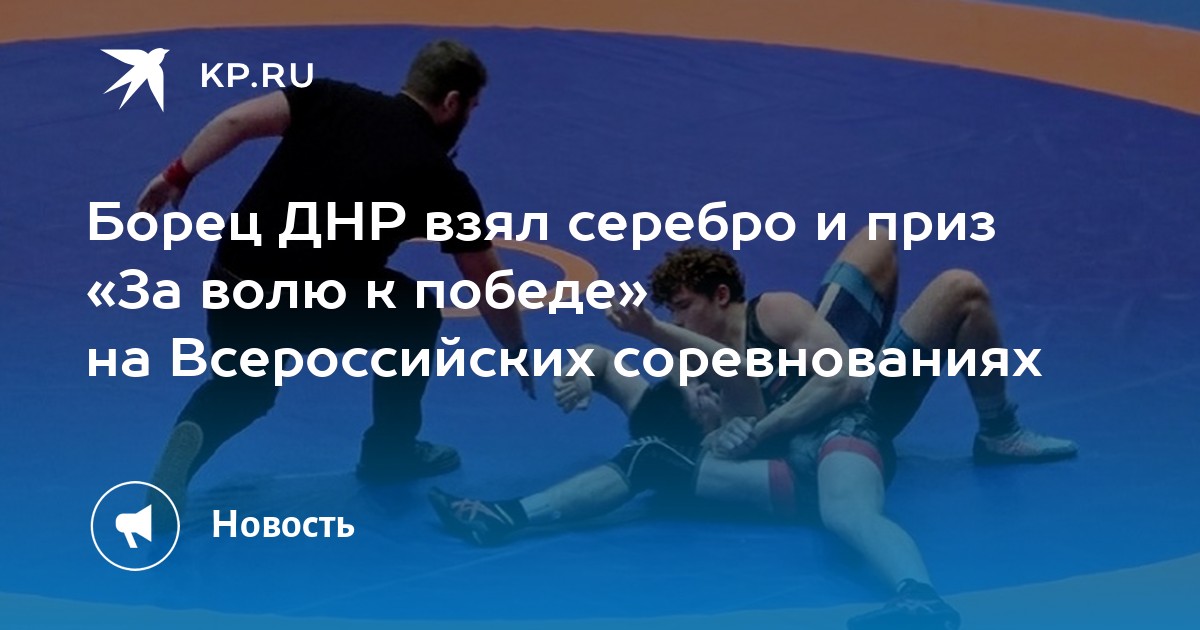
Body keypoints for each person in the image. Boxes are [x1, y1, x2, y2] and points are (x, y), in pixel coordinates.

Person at [135, 40, 533, 522]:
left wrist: (177, 174)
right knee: (415, 314)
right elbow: (486, 280)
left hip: (234, 276)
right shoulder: (443, 179)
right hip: (315, 300)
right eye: (471, 107)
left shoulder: (328, 96)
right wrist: (516, 348)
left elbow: (236, 122)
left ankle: (189, 444)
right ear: (451, 102)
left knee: (244, 387)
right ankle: (389, 450)